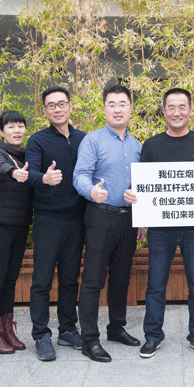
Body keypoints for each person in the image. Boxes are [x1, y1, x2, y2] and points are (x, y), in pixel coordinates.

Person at [124, 87, 194, 359]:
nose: (176, 112)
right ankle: (153, 336)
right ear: (163, 111)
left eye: (182, 106)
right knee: (155, 284)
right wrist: (140, 218)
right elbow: (143, 186)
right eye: (171, 107)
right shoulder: (151, 145)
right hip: (160, 227)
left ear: (190, 110)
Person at [73, 85, 146, 362]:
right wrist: (91, 190)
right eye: (112, 104)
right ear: (104, 108)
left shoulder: (137, 145)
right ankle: (89, 339)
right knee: (93, 280)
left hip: (129, 219)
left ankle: (116, 328)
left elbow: (142, 185)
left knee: (121, 277)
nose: (117, 109)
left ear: (131, 109)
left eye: (122, 104)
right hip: (100, 216)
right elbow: (80, 175)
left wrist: (142, 219)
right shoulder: (92, 141)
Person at [26, 86, 86, 361]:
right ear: (45, 110)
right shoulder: (37, 140)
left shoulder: (84, 139)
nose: (58, 109)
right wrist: (44, 178)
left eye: (62, 103)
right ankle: (41, 335)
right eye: (52, 105)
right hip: (48, 220)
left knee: (70, 279)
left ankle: (68, 329)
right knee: (41, 280)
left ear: (70, 106)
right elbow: (30, 172)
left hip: (77, 219)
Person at [0, 111, 32, 354]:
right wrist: (13, 173)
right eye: (11, 126)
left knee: (10, 281)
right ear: (2, 132)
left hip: (19, 225)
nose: (17, 130)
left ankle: (7, 330)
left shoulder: (26, 155)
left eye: (20, 126)